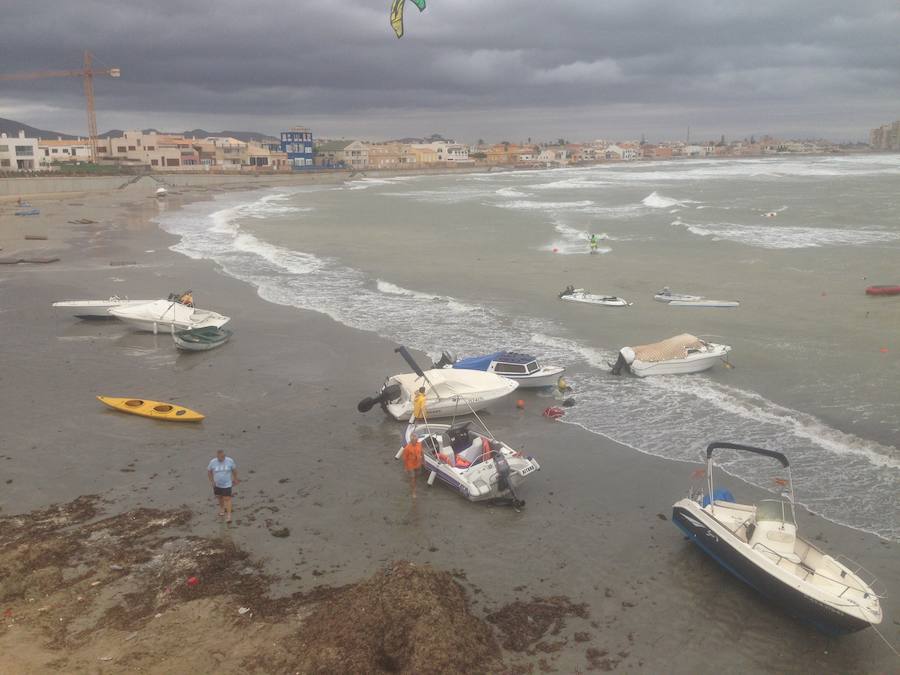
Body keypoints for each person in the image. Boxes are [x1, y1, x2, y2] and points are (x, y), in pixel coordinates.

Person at [207, 450, 239, 522]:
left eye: (223, 457)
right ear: (217, 456)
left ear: (225, 456)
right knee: (219, 497)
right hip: (217, 484)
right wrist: (212, 481)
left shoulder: (230, 461)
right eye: (220, 457)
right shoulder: (213, 462)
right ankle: (222, 509)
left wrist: (235, 479)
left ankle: (229, 515)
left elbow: (234, 470)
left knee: (227, 499)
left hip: (227, 484)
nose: (221, 458)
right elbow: (209, 471)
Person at [402, 433, 423, 498]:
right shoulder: (407, 448)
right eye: (414, 439)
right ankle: (413, 492)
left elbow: (422, 452)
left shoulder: (419, 444)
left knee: (417, 476)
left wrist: (424, 461)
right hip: (410, 464)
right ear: (411, 440)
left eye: (416, 439)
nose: (415, 440)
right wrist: (405, 467)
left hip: (418, 463)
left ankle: (413, 484)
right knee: (413, 478)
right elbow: (404, 458)